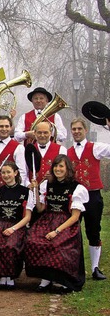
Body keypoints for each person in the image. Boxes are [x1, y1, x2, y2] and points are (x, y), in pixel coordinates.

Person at [25, 155, 88, 293]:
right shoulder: (47, 184)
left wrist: (56, 231)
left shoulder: (76, 188)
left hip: (66, 224)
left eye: (61, 166)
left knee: (56, 244)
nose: (58, 169)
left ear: (67, 169)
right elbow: (41, 208)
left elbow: (75, 217)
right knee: (33, 240)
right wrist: (36, 189)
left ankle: (64, 280)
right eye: (56, 166)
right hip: (47, 220)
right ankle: (46, 278)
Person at [67, 118, 109, 280]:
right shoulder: (67, 151)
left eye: (79, 129)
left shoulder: (96, 148)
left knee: (93, 230)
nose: (76, 131)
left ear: (85, 130)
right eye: (74, 129)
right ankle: (73, 266)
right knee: (72, 231)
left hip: (92, 195)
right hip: (74, 196)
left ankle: (95, 268)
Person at [0, 162, 34, 289]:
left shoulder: (26, 192)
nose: (6, 175)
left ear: (15, 173)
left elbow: (27, 217)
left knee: (11, 245)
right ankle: (0, 275)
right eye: (3, 173)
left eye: (8, 172)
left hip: (17, 224)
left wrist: (13, 229)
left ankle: (9, 277)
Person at [0, 116, 27, 189]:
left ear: (11, 128)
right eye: (1, 126)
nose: (4, 129)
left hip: (10, 190)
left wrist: (19, 189)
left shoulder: (19, 147)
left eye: (7, 126)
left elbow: (22, 172)